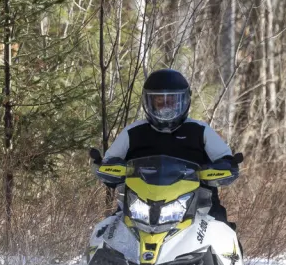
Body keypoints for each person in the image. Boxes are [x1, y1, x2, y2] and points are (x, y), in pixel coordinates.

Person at [99, 68, 239, 222]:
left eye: (171, 101)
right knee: (104, 232)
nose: (166, 106)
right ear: (149, 102)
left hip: (198, 207)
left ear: (183, 101)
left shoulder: (200, 131)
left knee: (224, 234)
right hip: (139, 207)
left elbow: (226, 159)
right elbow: (108, 163)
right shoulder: (133, 132)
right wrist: (109, 168)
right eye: (159, 100)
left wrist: (223, 167)